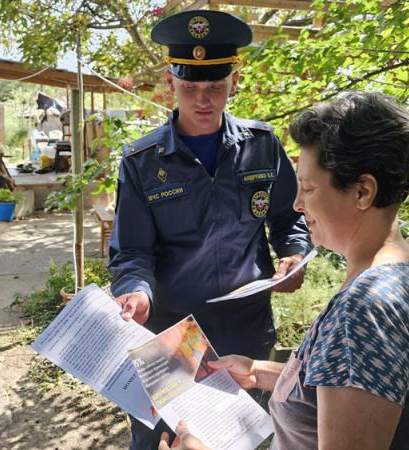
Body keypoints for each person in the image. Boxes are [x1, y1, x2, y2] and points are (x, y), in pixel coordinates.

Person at [159, 92, 409, 450]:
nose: (297, 204)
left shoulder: (362, 312)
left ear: (363, 191)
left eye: (309, 189)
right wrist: (258, 371)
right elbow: (354, 387)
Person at [108, 9, 314, 450]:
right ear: (170, 83)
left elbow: (289, 217)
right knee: (163, 439)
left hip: (246, 330)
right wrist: (136, 289)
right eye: (190, 87)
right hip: (171, 334)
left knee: (243, 436)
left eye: (215, 87)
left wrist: (293, 253)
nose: (203, 100)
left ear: (233, 82)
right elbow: (131, 252)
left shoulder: (262, 147)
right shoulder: (142, 162)